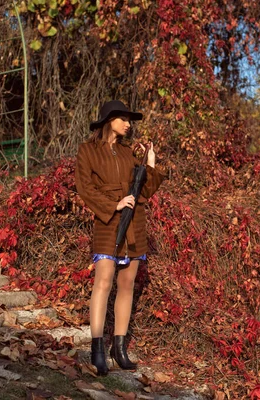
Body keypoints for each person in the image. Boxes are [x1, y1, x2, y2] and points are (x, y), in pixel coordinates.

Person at [75, 100, 166, 375]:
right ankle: (97, 349)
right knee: (103, 281)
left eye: (130, 120)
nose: (129, 124)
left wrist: (150, 164)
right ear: (109, 119)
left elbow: (145, 191)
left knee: (127, 283)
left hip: (134, 222)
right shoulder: (87, 151)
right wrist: (112, 204)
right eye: (124, 118)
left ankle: (119, 347)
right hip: (108, 221)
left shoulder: (128, 153)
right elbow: (84, 187)